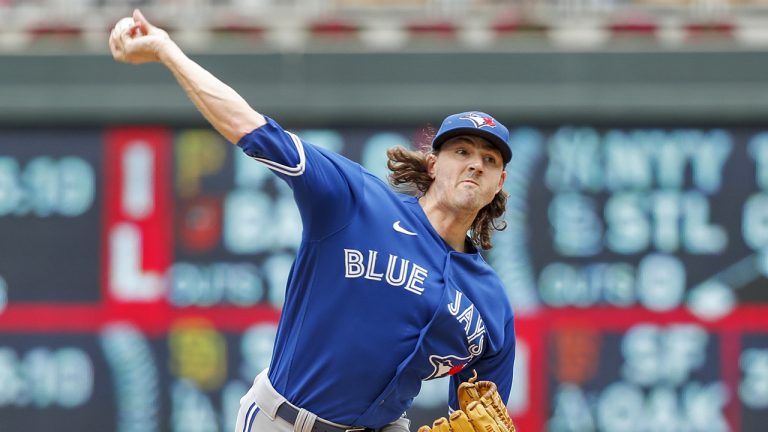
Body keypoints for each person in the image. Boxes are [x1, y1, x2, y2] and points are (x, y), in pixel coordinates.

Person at [109, 10, 516, 432]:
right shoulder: (356, 201)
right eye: (462, 151)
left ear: (500, 182)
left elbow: (485, 413)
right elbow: (251, 127)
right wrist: (166, 50)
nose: (475, 165)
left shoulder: (491, 304)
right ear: (433, 164)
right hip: (283, 421)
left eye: (489, 160)